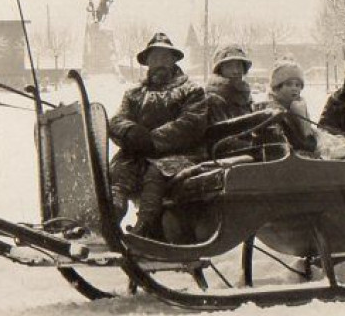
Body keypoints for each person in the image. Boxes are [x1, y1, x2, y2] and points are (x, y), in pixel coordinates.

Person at [107, 32, 209, 239]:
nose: (159, 63)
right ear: (147, 62)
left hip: (182, 155)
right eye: (154, 58)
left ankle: (145, 228)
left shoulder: (191, 90)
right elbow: (117, 120)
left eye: (165, 57)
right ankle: (108, 220)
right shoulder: (134, 93)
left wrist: (152, 139)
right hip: (139, 153)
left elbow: (191, 124)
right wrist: (130, 132)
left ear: (174, 60)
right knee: (118, 170)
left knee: (157, 172)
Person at [265, 60, 319, 155]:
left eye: (298, 85)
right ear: (277, 87)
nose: (294, 88)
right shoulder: (272, 112)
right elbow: (297, 144)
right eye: (289, 84)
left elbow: (311, 141)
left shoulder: (298, 108)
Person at [204, 43, 256, 126]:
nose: (235, 71)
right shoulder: (213, 100)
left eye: (238, 65)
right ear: (219, 70)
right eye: (229, 66)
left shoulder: (245, 97)